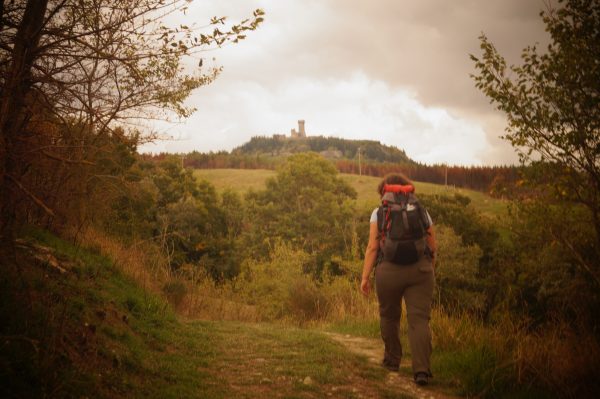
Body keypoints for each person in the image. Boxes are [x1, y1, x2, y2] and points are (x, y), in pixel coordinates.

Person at [360, 173, 436, 386]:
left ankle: (392, 360)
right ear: (407, 189)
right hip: (420, 271)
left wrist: (365, 277)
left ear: (385, 192)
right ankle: (422, 370)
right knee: (419, 320)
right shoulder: (421, 210)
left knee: (389, 315)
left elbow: (373, 247)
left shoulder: (379, 212)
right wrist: (429, 269)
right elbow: (432, 245)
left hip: (389, 271)